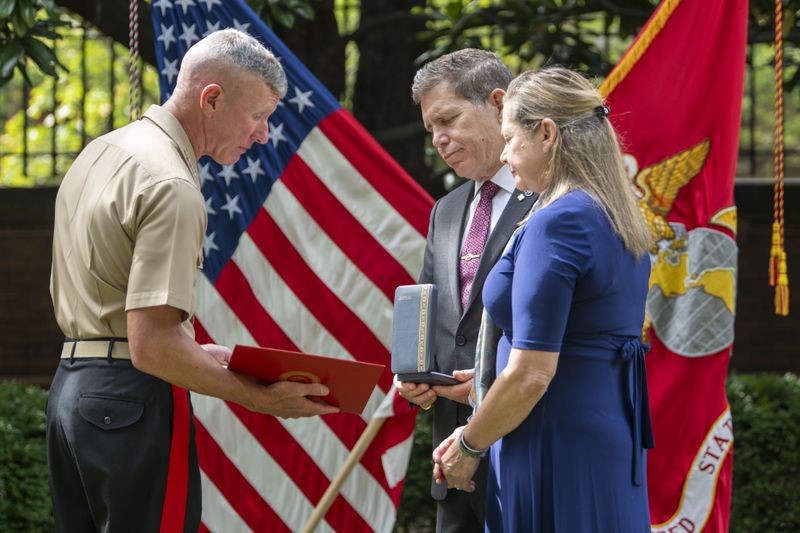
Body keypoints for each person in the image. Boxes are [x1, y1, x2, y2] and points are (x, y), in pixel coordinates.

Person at [47, 29, 338, 533]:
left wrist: (198, 352)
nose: (264, 134)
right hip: (132, 399)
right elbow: (152, 347)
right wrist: (260, 397)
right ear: (212, 98)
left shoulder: (101, 152)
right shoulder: (173, 185)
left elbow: (118, 307)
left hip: (72, 393)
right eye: (258, 116)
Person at [433, 66, 655, 532]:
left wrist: (469, 447)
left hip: (552, 437)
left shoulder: (558, 221)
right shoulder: (611, 212)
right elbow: (580, 339)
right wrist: (492, 373)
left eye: (511, 138)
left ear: (547, 134)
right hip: (603, 431)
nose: (506, 154)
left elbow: (533, 374)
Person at [395, 49, 535, 532]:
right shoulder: (447, 209)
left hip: (522, 445)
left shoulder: (551, 198)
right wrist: (419, 375)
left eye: (448, 120)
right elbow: (438, 314)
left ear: (499, 104)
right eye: (431, 129)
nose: (438, 139)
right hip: (451, 451)